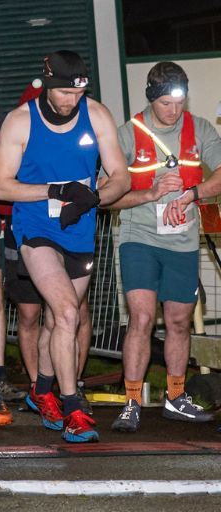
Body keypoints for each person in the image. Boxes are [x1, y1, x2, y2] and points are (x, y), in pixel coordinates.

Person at [0, 50, 130, 443]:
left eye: (78, 92)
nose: (72, 100)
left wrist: (93, 198)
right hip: (37, 229)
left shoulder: (97, 115)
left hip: (80, 231)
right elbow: (2, 185)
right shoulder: (20, 121)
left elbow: (121, 177)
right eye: (65, 92)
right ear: (47, 85)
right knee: (69, 312)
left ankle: (42, 389)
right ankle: (72, 409)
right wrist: (55, 190)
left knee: (57, 321)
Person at [107, 62, 220, 432]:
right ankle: (132, 401)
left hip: (183, 242)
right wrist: (150, 193)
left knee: (178, 321)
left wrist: (193, 194)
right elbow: (104, 197)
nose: (174, 110)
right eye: (167, 103)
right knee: (140, 318)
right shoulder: (128, 133)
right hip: (139, 238)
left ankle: (175, 397)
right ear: (152, 98)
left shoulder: (198, 128)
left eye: (180, 101)